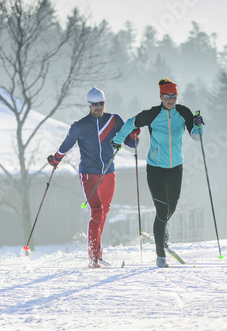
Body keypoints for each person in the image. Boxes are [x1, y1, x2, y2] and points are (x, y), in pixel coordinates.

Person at [111, 78, 204, 268]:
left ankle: (162, 232)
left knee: (171, 208)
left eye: (174, 96)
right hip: (155, 169)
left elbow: (196, 137)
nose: (171, 99)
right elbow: (131, 122)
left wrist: (199, 125)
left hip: (176, 168)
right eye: (167, 96)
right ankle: (160, 256)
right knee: (162, 211)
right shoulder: (153, 114)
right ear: (161, 96)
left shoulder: (184, 112)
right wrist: (118, 140)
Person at [47, 87, 140, 268]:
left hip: (108, 173)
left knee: (104, 211)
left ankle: (97, 251)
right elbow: (66, 144)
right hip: (88, 174)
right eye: (95, 105)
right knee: (96, 211)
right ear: (89, 106)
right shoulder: (80, 126)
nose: (98, 107)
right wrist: (55, 159)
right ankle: (93, 256)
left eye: (101, 104)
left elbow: (130, 142)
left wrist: (134, 135)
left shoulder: (114, 120)